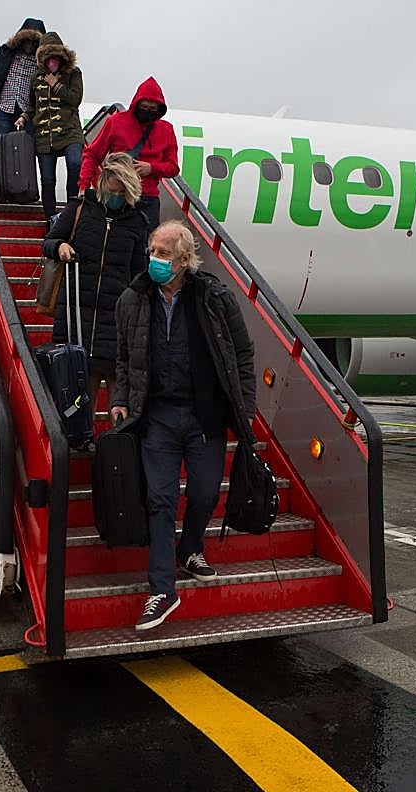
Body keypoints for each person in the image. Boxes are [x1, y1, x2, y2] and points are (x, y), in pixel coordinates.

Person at [110, 221, 256, 631]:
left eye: (163, 254)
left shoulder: (214, 297)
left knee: (207, 490)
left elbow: (242, 354)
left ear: (184, 259)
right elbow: (124, 357)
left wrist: (245, 408)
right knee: (159, 499)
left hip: (204, 415)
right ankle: (162, 589)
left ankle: (190, 545)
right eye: (152, 251)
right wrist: (121, 400)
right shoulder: (132, 300)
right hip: (156, 416)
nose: (154, 260)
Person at [42, 153, 148, 405]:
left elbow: (138, 272)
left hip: (115, 317)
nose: (116, 195)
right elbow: (48, 242)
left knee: (118, 393)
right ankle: (81, 439)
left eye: (122, 191)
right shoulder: (79, 209)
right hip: (77, 312)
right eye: (113, 188)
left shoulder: (137, 222)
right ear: (103, 181)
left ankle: (117, 442)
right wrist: (59, 247)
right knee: (79, 389)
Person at [78, 77, 179, 232]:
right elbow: (92, 154)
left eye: (152, 109)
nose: (147, 111)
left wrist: (152, 168)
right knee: (113, 241)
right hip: (118, 195)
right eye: (144, 107)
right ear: (136, 104)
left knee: (146, 246)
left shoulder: (166, 130)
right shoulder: (116, 121)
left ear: (159, 109)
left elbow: (173, 168)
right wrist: (84, 185)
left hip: (147, 198)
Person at [18, 31, 84, 221]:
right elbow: (32, 105)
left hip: (69, 130)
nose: (52, 62)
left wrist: (56, 85)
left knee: (75, 163)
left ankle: (72, 212)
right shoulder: (36, 77)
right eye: (48, 58)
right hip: (44, 135)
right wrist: (23, 117)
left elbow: (75, 99)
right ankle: (50, 218)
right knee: (47, 179)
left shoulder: (73, 73)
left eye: (55, 57)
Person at [0, 18, 46, 140]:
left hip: (27, 111)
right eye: (27, 41)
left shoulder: (42, 61)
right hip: (4, 106)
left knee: (25, 148)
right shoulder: (6, 51)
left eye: (34, 42)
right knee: (3, 144)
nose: (30, 45)